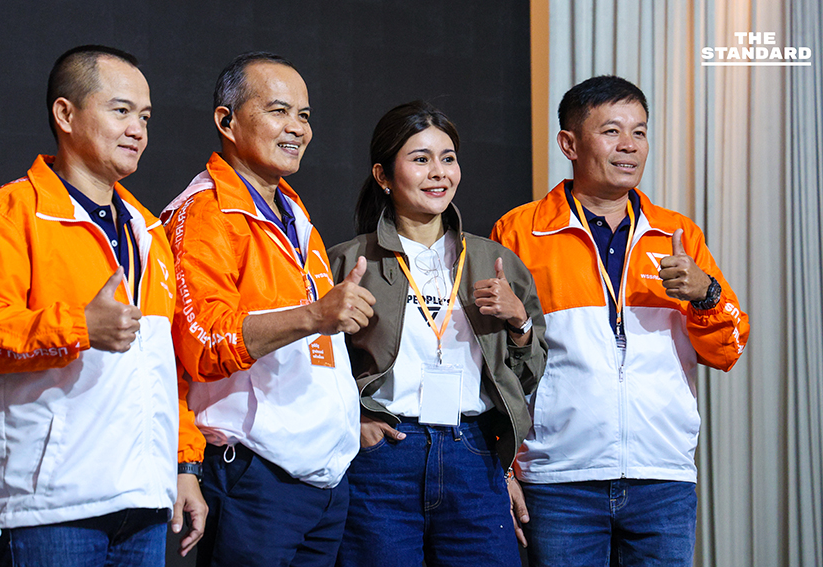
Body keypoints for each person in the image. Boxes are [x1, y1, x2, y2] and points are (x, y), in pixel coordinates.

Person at [491, 75, 750, 566]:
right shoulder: (520, 232)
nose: (629, 145)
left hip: (662, 479)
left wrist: (706, 294)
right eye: (611, 131)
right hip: (558, 479)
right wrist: (502, 467)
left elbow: (729, 348)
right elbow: (492, 363)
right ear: (569, 144)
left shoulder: (677, 234)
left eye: (640, 131)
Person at [160, 52, 375, 567]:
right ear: (226, 121)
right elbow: (204, 344)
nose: (297, 128)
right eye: (279, 111)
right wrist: (315, 316)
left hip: (323, 481)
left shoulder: (293, 211)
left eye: (304, 115)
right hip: (255, 478)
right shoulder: (203, 213)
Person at [0, 45, 180, 566]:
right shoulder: (12, 211)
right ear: (65, 114)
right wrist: (79, 327)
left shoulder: (149, 230)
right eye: (121, 110)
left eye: (145, 117)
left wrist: (184, 467)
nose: (137, 130)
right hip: (51, 510)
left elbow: (164, 365)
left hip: (146, 503)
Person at [328, 100, 548, 567]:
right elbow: (319, 366)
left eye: (448, 158)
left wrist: (519, 322)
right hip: (385, 456)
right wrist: (356, 423)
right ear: (383, 176)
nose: (438, 173)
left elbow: (528, 375)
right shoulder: (350, 260)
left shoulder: (492, 260)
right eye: (420, 159)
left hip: (473, 454)